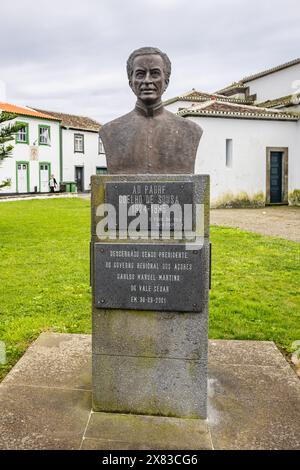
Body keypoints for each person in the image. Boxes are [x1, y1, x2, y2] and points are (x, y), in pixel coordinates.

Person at [99, 47, 203, 174]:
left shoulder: (190, 130)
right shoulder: (110, 131)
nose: (147, 80)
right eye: (140, 74)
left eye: (154, 73)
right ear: (131, 83)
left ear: (166, 82)